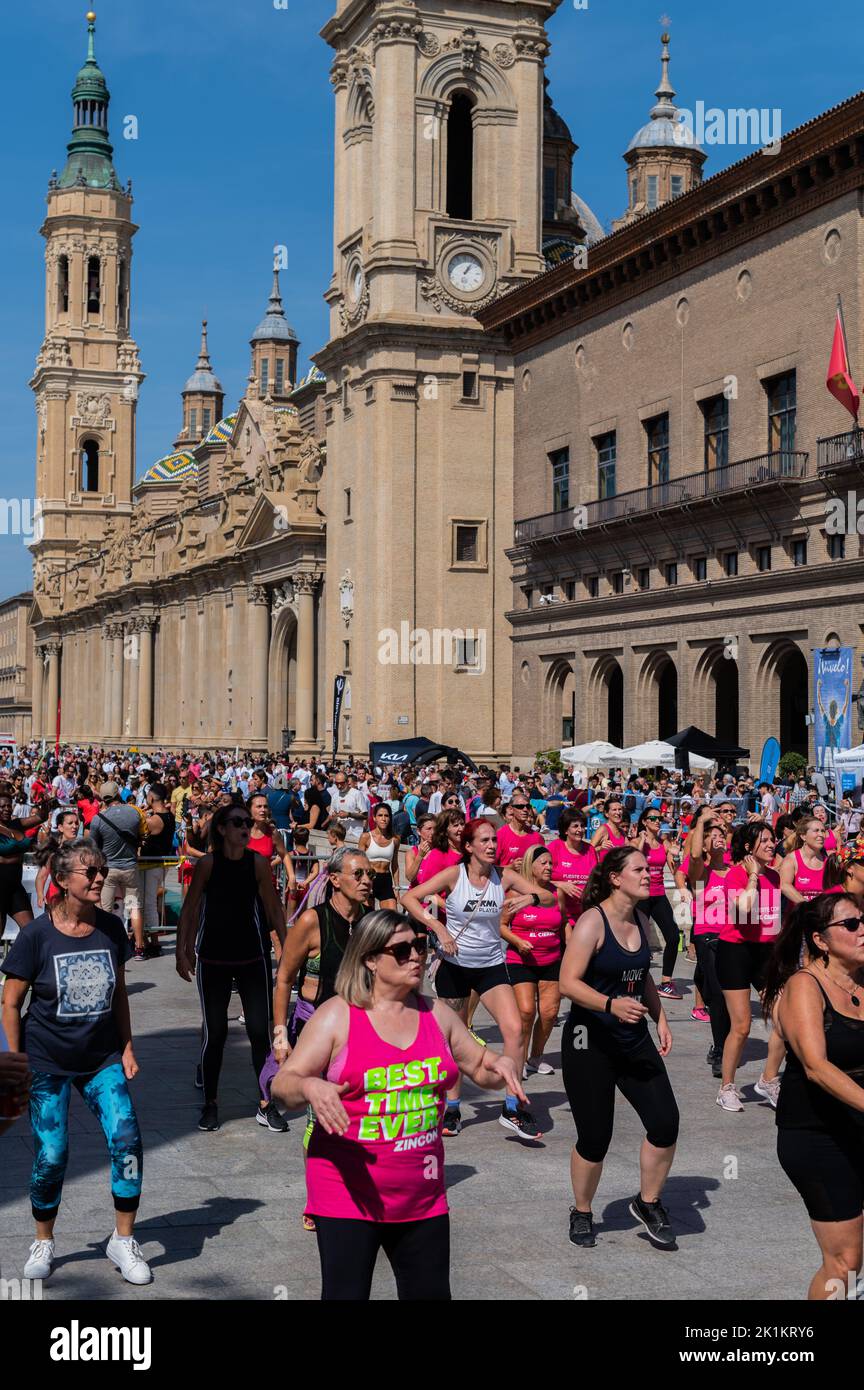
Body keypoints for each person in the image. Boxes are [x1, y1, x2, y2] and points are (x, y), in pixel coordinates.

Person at [272, 909, 525, 1300]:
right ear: (370, 959)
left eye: (420, 946)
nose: (416, 957)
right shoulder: (337, 1016)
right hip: (347, 1194)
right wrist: (309, 1086)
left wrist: (502, 1064)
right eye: (402, 949)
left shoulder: (435, 1014)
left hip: (422, 1197)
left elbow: (480, 1066)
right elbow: (282, 1085)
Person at [0, 839, 150, 1286]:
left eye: (101, 870)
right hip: (47, 1062)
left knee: (128, 1141)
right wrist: (16, 1060)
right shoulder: (35, 937)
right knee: (52, 1153)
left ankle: (123, 1239)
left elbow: (119, 991)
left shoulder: (110, 927)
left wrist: (126, 1046)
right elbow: (11, 1003)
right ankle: (43, 1239)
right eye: (90, 872)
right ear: (62, 881)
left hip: (101, 1058)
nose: (100, 877)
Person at [401, 818, 558, 1140]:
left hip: (490, 966)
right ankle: (454, 1106)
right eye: (484, 841)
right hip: (455, 965)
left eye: (493, 841)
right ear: (469, 846)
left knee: (514, 1029)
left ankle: (512, 1107)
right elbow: (409, 897)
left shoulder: (505, 876)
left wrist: (530, 898)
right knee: (454, 1041)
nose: (491, 846)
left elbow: (551, 898)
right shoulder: (453, 875)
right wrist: (438, 927)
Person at [558, 845, 679, 1250]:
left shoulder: (642, 919)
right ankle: (582, 1211)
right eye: (639, 869)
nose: (648, 874)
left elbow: (640, 974)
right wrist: (610, 1004)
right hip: (588, 1041)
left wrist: (658, 1015)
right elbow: (568, 983)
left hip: (633, 1037)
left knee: (665, 1123)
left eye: (649, 868)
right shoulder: (593, 921)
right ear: (615, 877)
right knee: (595, 1137)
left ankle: (648, 1202)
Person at [763, 894, 864, 1300]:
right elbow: (816, 1067)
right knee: (845, 1260)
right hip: (816, 1135)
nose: (862, 930)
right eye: (851, 925)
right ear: (821, 940)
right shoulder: (804, 986)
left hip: (855, 1123)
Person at [176, 803, 288, 1133]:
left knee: (259, 1031)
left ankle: (266, 1103)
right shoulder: (208, 863)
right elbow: (190, 908)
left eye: (247, 822)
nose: (245, 827)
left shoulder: (257, 863)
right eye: (238, 822)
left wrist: (287, 950)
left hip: (253, 956)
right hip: (213, 959)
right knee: (216, 1032)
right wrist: (183, 951)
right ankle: (210, 1103)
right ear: (222, 829)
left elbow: (273, 908)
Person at [715, 821, 786, 1113]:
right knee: (742, 1026)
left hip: (766, 951)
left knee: (785, 1017)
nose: (772, 844)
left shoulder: (776, 877)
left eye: (773, 840)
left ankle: (768, 1080)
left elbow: (774, 919)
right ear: (748, 847)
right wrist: (753, 877)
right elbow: (744, 909)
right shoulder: (735, 875)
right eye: (765, 840)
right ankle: (726, 1087)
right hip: (735, 951)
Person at [501, 844, 567, 1077]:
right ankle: (517, 1059)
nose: (549, 867)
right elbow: (501, 926)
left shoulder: (555, 893)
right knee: (526, 1011)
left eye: (551, 863)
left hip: (552, 959)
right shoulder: (516, 894)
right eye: (544, 863)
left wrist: (570, 952)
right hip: (521, 959)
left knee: (549, 1013)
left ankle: (535, 1057)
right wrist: (517, 942)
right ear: (531, 865)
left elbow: (563, 923)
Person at [686, 815, 733, 1078]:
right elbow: (693, 856)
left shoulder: (735, 869)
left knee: (730, 995)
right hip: (707, 935)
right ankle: (720, 1048)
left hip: (732, 936)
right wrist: (702, 821)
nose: (718, 839)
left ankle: (725, 1043)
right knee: (716, 994)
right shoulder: (701, 871)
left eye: (721, 835)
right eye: (711, 836)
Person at [88, 781, 147, 959]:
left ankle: (106, 945)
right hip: (130, 867)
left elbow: (92, 846)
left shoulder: (99, 818)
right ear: (118, 794)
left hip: (108, 869)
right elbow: (144, 834)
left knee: (104, 909)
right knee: (133, 907)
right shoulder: (134, 812)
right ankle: (139, 947)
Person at [633, 807, 682, 1000]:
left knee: (673, 937)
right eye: (652, 818)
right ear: (644, 821)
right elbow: (631, 864)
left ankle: (666, 983)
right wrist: (641, 843)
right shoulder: (636, 842)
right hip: (640, 897)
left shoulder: (664, 843)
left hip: (659, 894)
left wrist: (676, 855)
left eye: (659, 818)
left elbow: (675, 869)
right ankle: (635, 981)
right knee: (638, 942)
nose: (656, 820)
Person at [780, 816, 828, 909]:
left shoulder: (827, 860)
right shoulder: (792, 859)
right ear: (803, 836)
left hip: (822, 918)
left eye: (823, 831)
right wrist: (808, 906)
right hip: (799, 918)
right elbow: (784, 885)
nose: (821, 835)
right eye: (816, 830)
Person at [359, 803, 401, 909]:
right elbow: (359, 862)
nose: (383, 819)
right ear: (374, 818)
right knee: (367, 919)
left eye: (386, 816)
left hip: (386, 880)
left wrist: (397, 888)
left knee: (391, 917)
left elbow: (395, 865)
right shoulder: (366, 837)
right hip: (369, 878)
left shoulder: (395, 839)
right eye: (380, 815)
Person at [495, 793, 543, 867]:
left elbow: (541, 865)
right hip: (505, 878)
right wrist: (511, 867)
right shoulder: (500, 835)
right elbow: (491, 868)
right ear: (511, 809)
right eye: (520, 806)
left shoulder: (537, 837)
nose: (525, 809)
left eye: (528, 806)